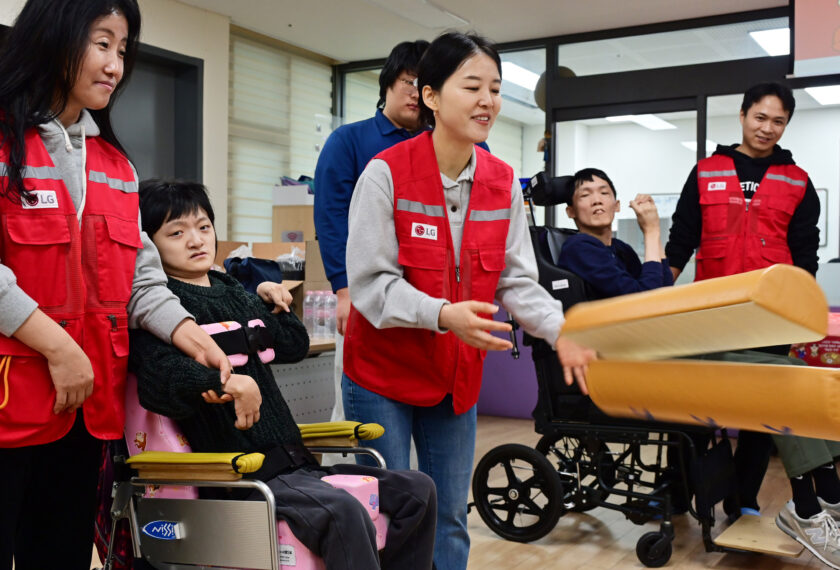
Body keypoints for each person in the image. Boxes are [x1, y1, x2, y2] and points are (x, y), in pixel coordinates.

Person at [342, 32, 595, 570]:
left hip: (455, 375)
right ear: (431, 96)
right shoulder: (385, 174)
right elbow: (369, 285)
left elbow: (518, 281)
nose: (488, 100)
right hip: (382, 371)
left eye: (496, 89)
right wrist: (441, 314)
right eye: (472, 86)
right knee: (389, 513)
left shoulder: (503, 184)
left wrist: (560, 329)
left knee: (451, 514)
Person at [0, 2, 230, 569]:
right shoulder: (5, 144)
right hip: (10, 403)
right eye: (102, 44)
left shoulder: (115, 165)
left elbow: (139, 277)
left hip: (84, 408)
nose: (115, 65)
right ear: (55, 38)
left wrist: (185, 330)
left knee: (60, 554)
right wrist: (57, 346)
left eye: (123, 50)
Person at [129, 179, 437, 570]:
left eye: (203, 227)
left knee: (418, 490)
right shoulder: (158, 310)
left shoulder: (233, 290)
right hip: (242, 477)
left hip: (296, 465)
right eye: (176, 232)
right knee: (343, 510)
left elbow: (292, 346)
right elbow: (160, 380)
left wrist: (277, 303)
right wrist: (224, 382)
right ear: (148, 248)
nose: (195, 240)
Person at [665, 82, 840, 567]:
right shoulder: (706, 172)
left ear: (786, 125)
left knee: (764, 412)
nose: (767, 128)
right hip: (714, 313)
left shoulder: (797, 180)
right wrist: (653, 290)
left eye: (778, 121)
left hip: (770, 318)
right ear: (742, 116)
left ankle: (743, 500)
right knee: (699, 411)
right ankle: (684, 495)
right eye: (760, 117)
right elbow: (681, 240)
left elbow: (806, 255)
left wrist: (802, 311)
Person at [314, 40, 429, 429]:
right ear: (387, 83)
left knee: (420, 407)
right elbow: (331, 217)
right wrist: (343, 289)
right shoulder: (349, 140)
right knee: (354, 411)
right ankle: (341, 488)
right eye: (408, 81)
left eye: (426, 85)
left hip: (425, 299)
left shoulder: (438, 146)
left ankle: (411, 490)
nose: (417, 93)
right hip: (365, 295)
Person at [555, 168, 672, 299]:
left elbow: (665, 291)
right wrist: (651, 231)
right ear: (571, 212)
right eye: (585, 195)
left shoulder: (622, 248)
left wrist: (654, 229)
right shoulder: (578, 247)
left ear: (617, 205)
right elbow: (645, 301)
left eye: (604, 193)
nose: (597, 200)